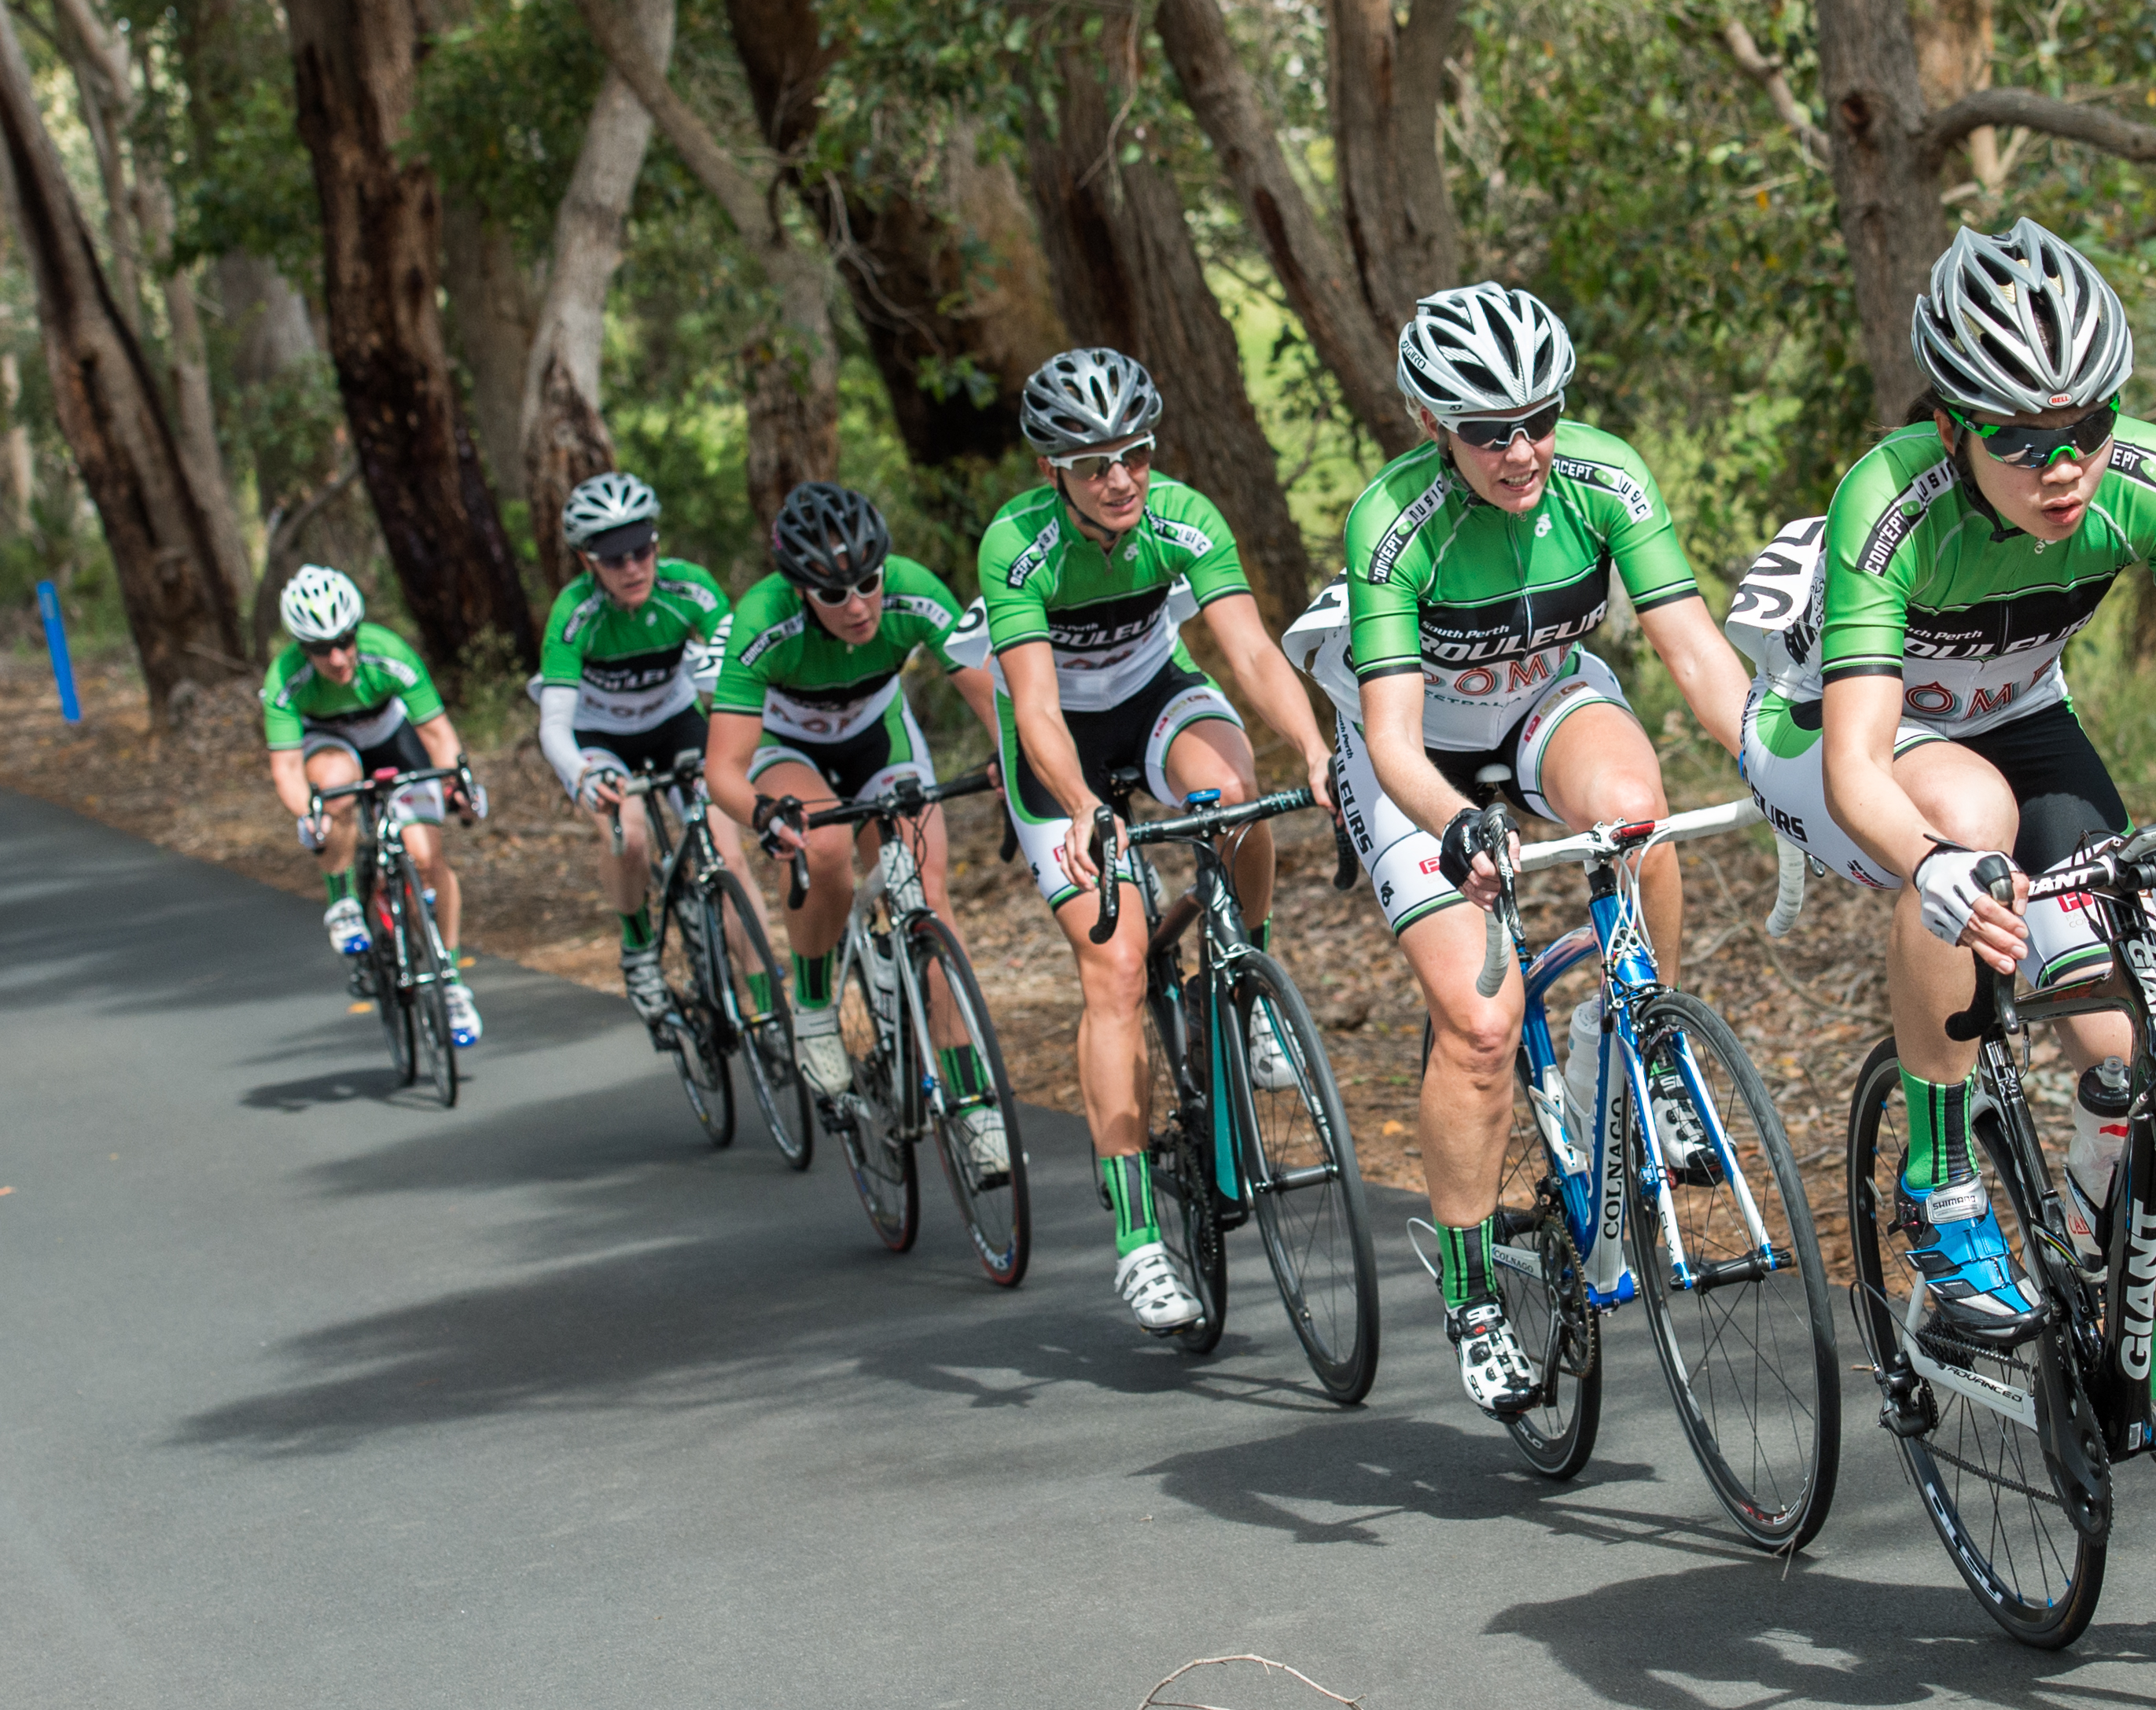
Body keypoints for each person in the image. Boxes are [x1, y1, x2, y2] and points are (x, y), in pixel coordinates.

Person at [1732, 218, 2156, 1535]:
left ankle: (2148, 1353)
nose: (2063, 465)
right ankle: (1937, 1186)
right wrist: (1930, 866)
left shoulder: (2150, 482)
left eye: (2087, 426)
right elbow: (1870, 764)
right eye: (2020, 438)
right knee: (1968, 823)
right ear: (1951, 428)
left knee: (2137, 1049)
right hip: (1833, 739)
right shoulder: (1895, 501)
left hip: (2020, 717)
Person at [1291, 284, 1752, 1416]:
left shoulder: (1601, 473)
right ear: (1427, 423)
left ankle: (1640, 1044)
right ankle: (1468, 1292)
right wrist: (1454, 825)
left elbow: (1692, 651)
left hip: (1543, 702)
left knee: (1637, 815)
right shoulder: (1394, 522)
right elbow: (1392, 736)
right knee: (1483, 1024)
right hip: (1413, 759)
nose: (1522, 449)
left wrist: (1778, 766)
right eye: (1488, 431)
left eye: (1539, 417)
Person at [957, 347, 1334, 1336]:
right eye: (1092, 465)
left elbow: (1247, 647)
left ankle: (1235, 978)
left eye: (1132, 454)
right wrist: (1082, 803)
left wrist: (1314, 745)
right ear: (1054, 471)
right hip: (1060, 741)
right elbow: (1033, 705)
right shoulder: (1017, 546)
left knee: (1235, 796)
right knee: (1115, 966)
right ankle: (1135, 1240)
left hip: (1154, 694)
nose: (1119, 478)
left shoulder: (1183, 514)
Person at [701, 481, 1007, 1181]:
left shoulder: (912, 589)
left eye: (868, 581)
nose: (860, 603)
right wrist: (762, 814)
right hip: (789, 751)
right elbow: (723, 768)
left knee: (930, 901)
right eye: (834, 593)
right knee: (827, 846)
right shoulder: (761, 620)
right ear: (800, 589)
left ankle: (974, 1100)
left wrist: (1010, 762)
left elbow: (990, 691)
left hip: (880, 738)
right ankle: (812, 1008)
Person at [533, 472, 755, 1031]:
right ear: (588, 561)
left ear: (656, 544)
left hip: (675, 721)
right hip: (600, 737)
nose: (631, 567)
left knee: (728, 854)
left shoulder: (691, 589)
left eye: (641, 550)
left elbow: (730, 683)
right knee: (628, 832)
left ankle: (768, 1001)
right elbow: (554, 722)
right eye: (613, 558)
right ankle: (637, 946)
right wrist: (581, 774)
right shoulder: (574, 613)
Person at [260, 565, 488, 1046]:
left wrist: (456, 786)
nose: (339, 657)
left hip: (390, 733)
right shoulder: (285, 678)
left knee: (428, 858)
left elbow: (437, 733)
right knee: (336, 788)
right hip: (329, 743)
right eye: (323, 649)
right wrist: (312, 817)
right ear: (303, 647)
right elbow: (286, 769)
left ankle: (449, 981)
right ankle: (342, 899)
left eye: (345, 641)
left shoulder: (390, 653)